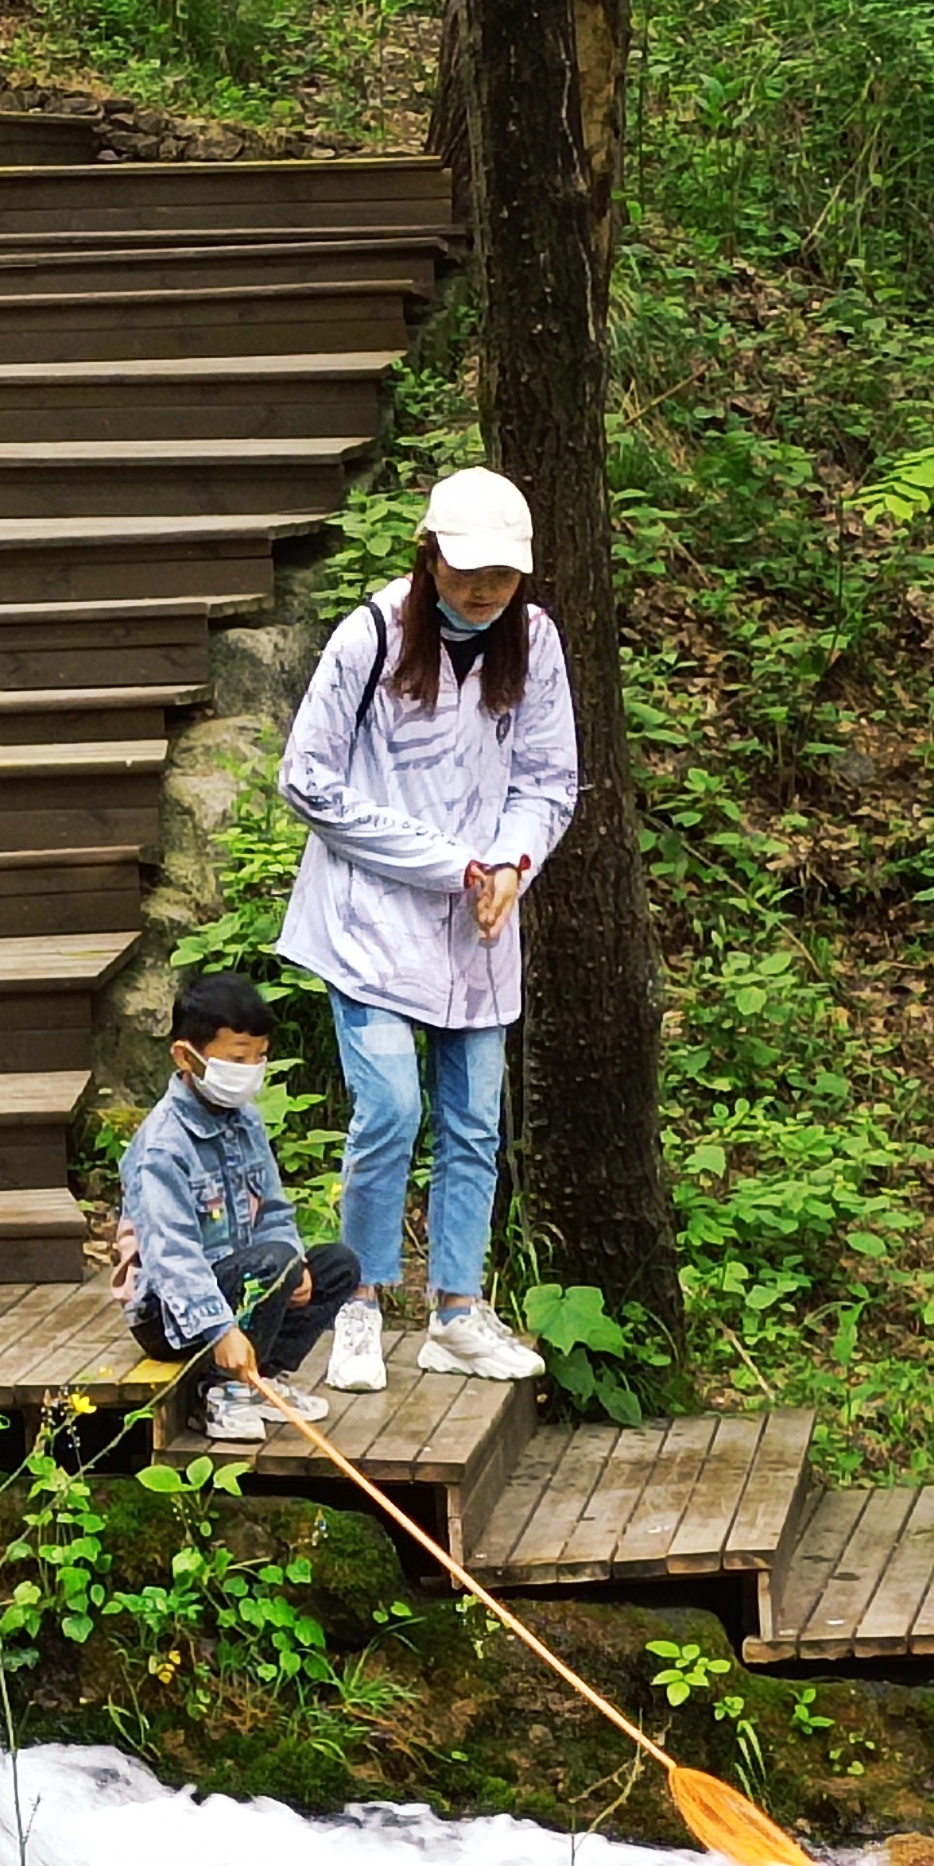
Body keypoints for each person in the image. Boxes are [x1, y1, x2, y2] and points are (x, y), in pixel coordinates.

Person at [275, 466, 577, 1389]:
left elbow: (547, 782)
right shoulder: (370, 632)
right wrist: (450, 864)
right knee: (391, 1108)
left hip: (481, 927)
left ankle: (456, 1309)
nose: (482, 588)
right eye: (465, 568)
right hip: (369, 919)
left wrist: (512, 864)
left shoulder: (533, 639)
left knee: (474, 1120)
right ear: (429, 554)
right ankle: (359, 1301)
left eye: (501, 572)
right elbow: (308, 779)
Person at [121, 971, 361, 1444]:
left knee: (337, 1264)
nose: (250, 1069)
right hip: (171, 1312)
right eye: (237, 1058)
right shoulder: (162, 1148)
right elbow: (172, 1257)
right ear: (185, 1057)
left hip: (246, 1283)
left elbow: (274, 1209)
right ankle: (223, 1391)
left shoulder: (246, 1120)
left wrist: (297, 1263)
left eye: (259, 1058)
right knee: (271, 1263)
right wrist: (219, 1327)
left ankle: (263, 1374)